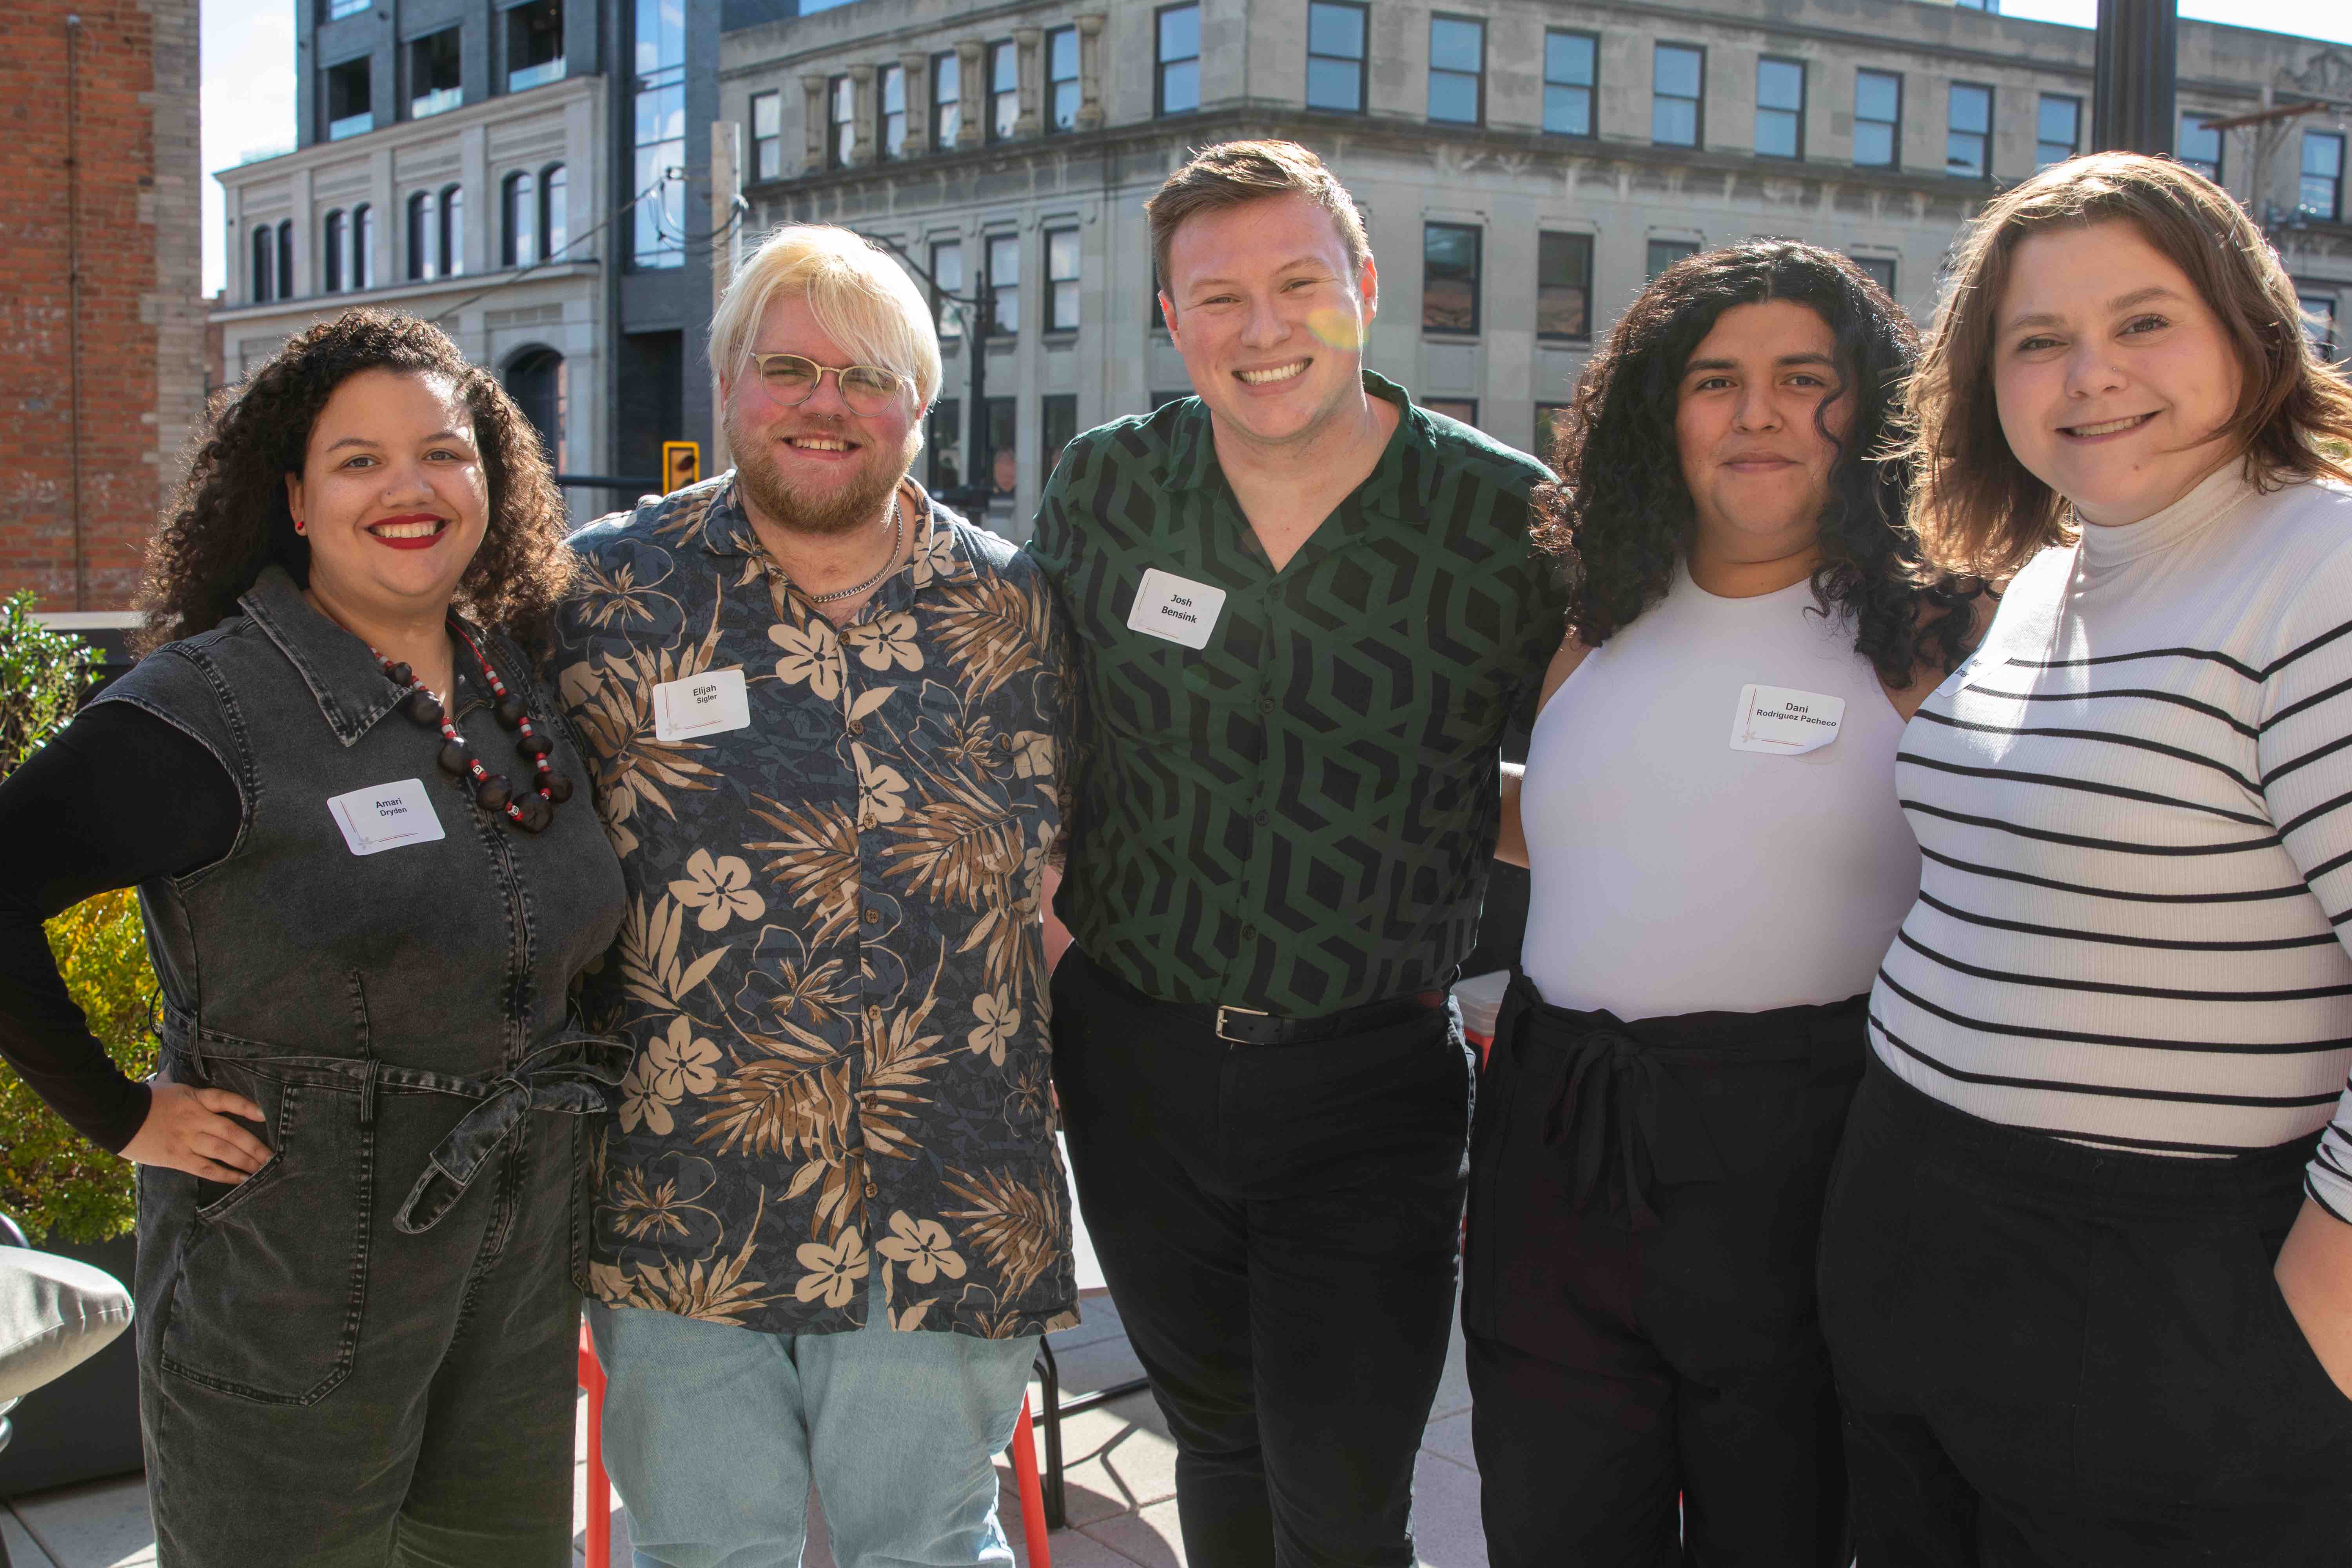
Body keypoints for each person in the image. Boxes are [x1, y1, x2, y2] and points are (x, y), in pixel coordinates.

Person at [0, 309, 626, 1566]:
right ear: (293, 498)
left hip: (513, 1278)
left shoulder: (520, 684)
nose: (411, 488)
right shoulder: (208, 711)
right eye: (360, 461)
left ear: (490, 484)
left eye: (445, 454)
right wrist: (119, 1114)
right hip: (289, 1279)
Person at [1029, 140, 1569, 1567]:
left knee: (1340, 1502)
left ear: (1366, 290)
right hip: (1135, 1058)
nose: (1261, 331)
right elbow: (1032, 739)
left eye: (1297, 285)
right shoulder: (1108, 489)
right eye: (1217, 298)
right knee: (1217, 1446)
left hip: (1366, 1079)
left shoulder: (1505, 520)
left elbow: (1589, 770)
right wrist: (1046, 953)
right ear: (1169, 320)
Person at [1817, 151, 2352, 1564]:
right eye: (2038, 340)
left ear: (2252, 327)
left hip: (2168, 1290)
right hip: (1927, 1243)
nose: (2089, 374)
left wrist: (2307, 1344)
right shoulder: (2062, 569)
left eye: (2144, 322)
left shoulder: (2322, 570)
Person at [551, 223, 1076, 1568]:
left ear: (920, 402)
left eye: (869, 374)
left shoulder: (1015, 608)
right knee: (705, 1556)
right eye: (787, 367)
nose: (825, 404)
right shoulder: (604, 592)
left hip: (947, 1192)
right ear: (728, 386)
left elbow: (1072, 872)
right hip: (684, 1203)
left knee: (929, 1550)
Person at [1463, 241, 1980, 1566]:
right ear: (1662, 412)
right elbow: (1593, 824)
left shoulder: (1933, 635)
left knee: (1781, 1528)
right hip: (1554, 1128)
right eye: (1715, 382)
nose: (1756, 413)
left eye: (1804, 379)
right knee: (1554, 1523)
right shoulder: (1605, 611)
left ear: (1870, 410)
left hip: (1798, 1140)